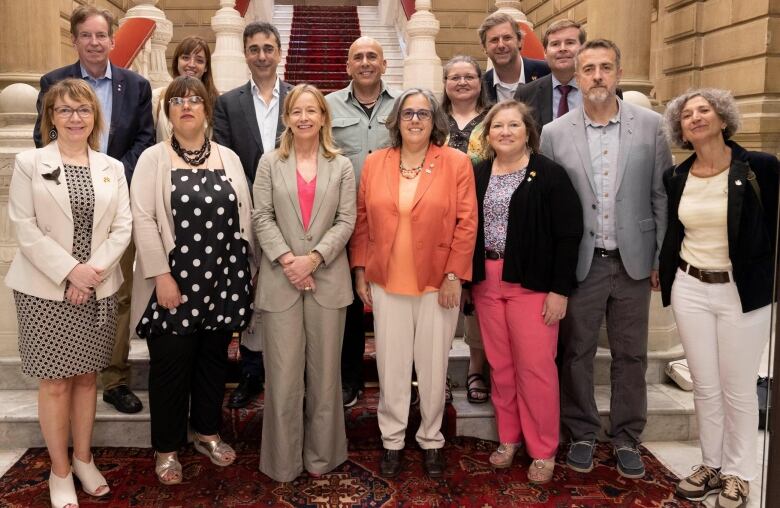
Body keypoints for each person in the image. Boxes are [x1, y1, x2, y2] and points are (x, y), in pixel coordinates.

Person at [540, 39, 671, 479]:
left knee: (630, 354)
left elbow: (659, 195)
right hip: (582, 263)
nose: (597, 76)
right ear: (576, 76)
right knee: (575, 351)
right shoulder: (555, 133)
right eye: (589, 68)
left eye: (606, 68)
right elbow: (550, 206)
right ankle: (581, 431)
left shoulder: (651, 126)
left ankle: (627, 436)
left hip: (633, 260)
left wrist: (658, 257)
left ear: (618, 72)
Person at [7, 78, 131, 508]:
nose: (75, 118)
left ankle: (83, 459)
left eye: (83, 109)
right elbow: (24, 228)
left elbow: (123, 228)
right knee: (56, 384)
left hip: (97, 288)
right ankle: (59, 472)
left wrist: (90, 273)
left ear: (95, 116)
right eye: (65, 110)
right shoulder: (29, 163)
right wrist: (70, 273)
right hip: (44, 290)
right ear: (51, 117)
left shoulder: (112, 167)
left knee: (87, 380)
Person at [130, 76, 255, 485]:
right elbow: (144, 219)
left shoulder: (228, 157)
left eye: (195, 99)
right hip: (173, 284)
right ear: (168, 111)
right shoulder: (153, 158)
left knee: (213, 363)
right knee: (170, 367)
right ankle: (166, 448)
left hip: (222, 279)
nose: (187, 105)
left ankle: (206, 432)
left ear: (206, 109)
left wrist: (244, 275)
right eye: (177, 100)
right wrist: (161, 276)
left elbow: (246, 217)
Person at [659, 88, 778, 508]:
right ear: (682, 131)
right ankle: (711, 465)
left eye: (703, 110)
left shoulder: (761, 167)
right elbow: (676, 232)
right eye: (687, 114)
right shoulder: (677, 176)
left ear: (723, 119)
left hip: (742, 290)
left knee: (738, 389)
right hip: (691, 286)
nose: (695, 117)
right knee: (705, 386)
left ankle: (739, 473)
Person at [351, 88, 477, 479]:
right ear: (397, 120)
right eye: (408, 113)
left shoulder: (456, 162)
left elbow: (467, 222)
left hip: (439, 283)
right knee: (391, 365)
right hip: (388, 281)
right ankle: (392, 440)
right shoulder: (376, 163)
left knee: (433, 366)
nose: (416, 120)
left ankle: (431, 438)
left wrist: (455, 275)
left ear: (434, 120)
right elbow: (362, 220)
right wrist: (360, 270)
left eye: (423, 113)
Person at [33, 5, 154, 414]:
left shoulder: (135, 86)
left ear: (113, 39)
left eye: (102, 35)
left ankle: (114, 378)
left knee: (115, 292)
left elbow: (144, 139)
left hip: (117, 203)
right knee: (68, 287)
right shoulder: (54, 83)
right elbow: (42, 138)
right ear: (75, 39)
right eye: (86, 35)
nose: (95, 42)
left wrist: (111, 173)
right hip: (65, 208)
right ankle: (70, 369)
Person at [467, 100, 582, 481]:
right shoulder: (479, 173)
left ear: (528, 131)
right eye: (497, 126)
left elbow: (568, 236)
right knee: (500, 366)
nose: (505, 132)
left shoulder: (549, 174)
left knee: (535, 369)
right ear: (488, 134)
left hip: (533, 284)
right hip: (487, 280)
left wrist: (559, 290)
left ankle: (543, 449)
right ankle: (509, 438)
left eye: (513, 125)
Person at [253, 83, 356, 482]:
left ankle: (322, 457)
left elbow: (346, 220)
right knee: (282, 376)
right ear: (287, 118)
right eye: (297, 111)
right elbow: (261, 216)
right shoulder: (269, 163)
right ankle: (282, 461)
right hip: (281, 280)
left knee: (325, 375)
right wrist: (288, 260)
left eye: (312, 111)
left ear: (323, 117)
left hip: (327, 280)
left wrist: (313, 259)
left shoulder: (342, 165)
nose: (304, 118)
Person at [213, 21, 293, 409]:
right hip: (243, 212)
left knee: (283, 292)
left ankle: (287, 369)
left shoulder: (300, 98)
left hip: (292, 213)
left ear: (280, 53)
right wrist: (255, 195)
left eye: (268, 48)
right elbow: (225, 158)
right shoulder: (228, 103)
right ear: (245, 54)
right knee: (249, 292)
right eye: (254, 49)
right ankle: (250, 372)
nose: (262, 55)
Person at [326, 36, 399, 408]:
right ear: (348, 65)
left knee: (395, 305)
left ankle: (399, 382)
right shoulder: (328, 106)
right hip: (341, 222)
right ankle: (349, 379)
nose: (366, 62)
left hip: (394, 224)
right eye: (359, 57)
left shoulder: (404, 105)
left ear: (384, 64)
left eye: (373, 55)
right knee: (350, 307)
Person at [442, 54, 491, 404]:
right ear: (444, 83)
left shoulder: (494, 119)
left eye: (469, 76)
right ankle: (437, 371)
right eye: (454, 77)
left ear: (480, 81)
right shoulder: (434, 119)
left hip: (487, 217)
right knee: (438, 299)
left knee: (476, 300)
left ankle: (476, 369)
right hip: (439, 221)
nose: (462, 82)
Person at [515, 19, 585, 129]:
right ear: (545, 53)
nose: (562, 49)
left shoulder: (602, 90)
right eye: (555, 44)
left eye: (570, 42)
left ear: (583, 49)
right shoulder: (525, 94)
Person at [152, 36, 219, 141]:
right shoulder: (156, 97)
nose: (191, 64)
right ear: (176, 62)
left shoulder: (217, 102)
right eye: (185, 58)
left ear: (206, 67)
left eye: (199, 60)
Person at [478, 12, 549, 104]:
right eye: (494, 40)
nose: (501, 45)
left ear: (520, 41)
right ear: (484, 48)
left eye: (507, 38)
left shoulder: (546, 72)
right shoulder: (480, 86)